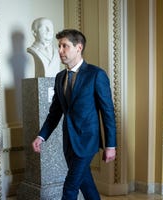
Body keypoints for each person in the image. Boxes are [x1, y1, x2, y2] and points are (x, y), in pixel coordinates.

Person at [32, 29, 117, 200]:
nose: (60, 51)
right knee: (87, 185)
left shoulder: (96, 74)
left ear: (79, 47)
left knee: (70, 188)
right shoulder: (60, 77)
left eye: (65, 46)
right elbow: (55, 113)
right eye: (59, 46)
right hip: (68, 142)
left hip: (87, 141)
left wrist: (111, 145)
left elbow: (108, 112)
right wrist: (41, 136)